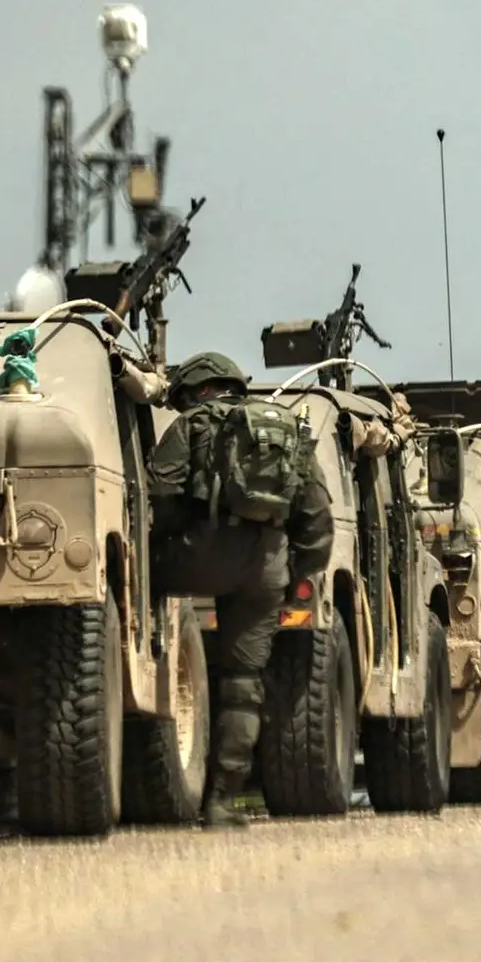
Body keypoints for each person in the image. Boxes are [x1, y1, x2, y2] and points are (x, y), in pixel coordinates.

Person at [149, 352, 333, 828]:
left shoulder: (190, 426)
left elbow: (160, 493)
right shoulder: (286, 430)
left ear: (196, 391)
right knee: (242, 688)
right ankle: (221, 804)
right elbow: (315, 517)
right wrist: (298, 578)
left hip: (195, 556)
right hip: (265, 568)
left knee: (132, 595)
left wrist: (161, 550)